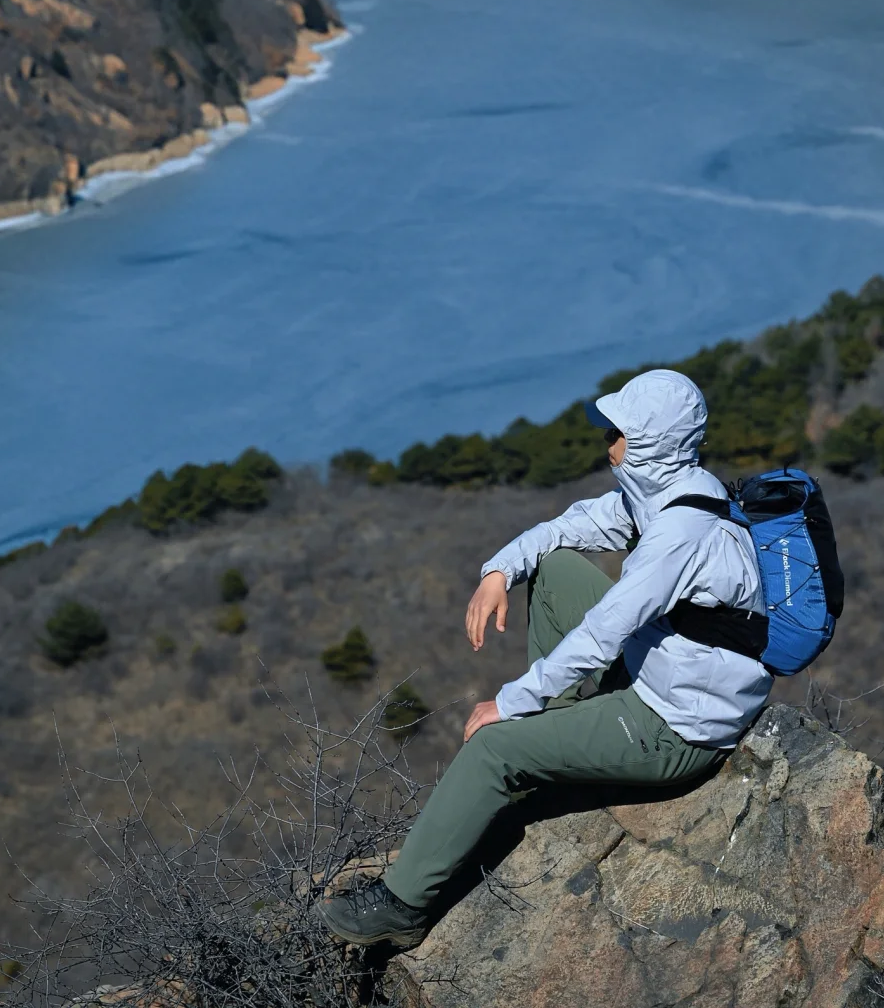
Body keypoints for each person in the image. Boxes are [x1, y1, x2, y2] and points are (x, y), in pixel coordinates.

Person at [320, 367, 772, 949]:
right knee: (555, 569)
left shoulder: (680, 533)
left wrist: (511, 704)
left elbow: (602, 635)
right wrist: (499, 571)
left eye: (617, 432)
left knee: (492, 747)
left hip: (676, 729)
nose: (605, 442)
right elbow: (568, 527)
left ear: (651, 444)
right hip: (665, 677)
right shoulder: (676, 493)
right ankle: (554, 741)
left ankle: (401, 909)